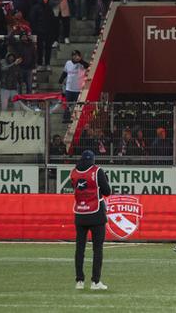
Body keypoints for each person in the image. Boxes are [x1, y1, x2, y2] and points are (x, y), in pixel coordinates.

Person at [69, 149, 111, 290]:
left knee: (79, 249)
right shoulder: (97, 171)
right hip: (96, 214)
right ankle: (95, 281)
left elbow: (74, 187)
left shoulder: (74, 172)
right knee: (97, 249)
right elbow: (107, 192)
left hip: (80, 214)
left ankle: (79, 281)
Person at [59, 50, 86, 123]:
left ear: (80, 56)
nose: (75, 57)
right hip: (69, 89)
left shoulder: (81, 64)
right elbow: (65, 72)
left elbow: (88, 66)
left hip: (78, 89)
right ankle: (66, 119)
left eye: (77, 55)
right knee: (68, 105)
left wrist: (80, 61)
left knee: (79, 106)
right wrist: (61, 80)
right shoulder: (68, 63)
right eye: (74, 55)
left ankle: (80, 119)